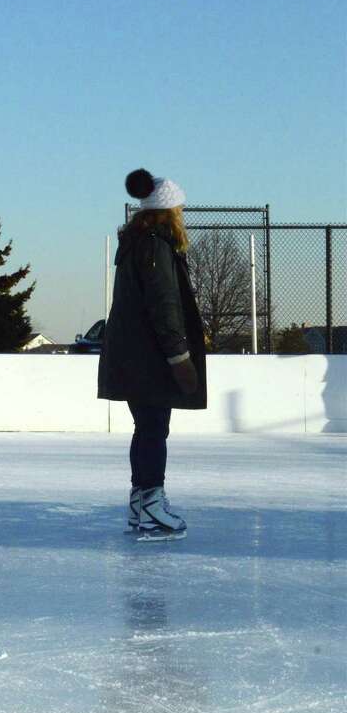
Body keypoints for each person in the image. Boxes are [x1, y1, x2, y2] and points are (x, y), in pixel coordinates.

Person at [99, 169, 207, 542]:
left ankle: (140, 501)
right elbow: (164, 304)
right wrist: (179, 356)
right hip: (149, 356)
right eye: (179, 208)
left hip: (133, 354)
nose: (181, 215)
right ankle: (152, 506)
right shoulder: (156, 246)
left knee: (145, 428)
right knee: (154, 429)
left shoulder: (137, 243)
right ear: (168, 211)